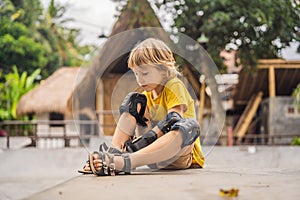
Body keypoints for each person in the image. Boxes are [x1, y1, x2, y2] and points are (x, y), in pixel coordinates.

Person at [80, 38, 205, 176]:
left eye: (144, 73)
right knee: (134, 101)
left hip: (178, 155)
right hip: (150, 156)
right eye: (136, 74)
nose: (140, 79)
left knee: (189, 126)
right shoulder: (146, 95)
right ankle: (113, 155)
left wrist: (140, 143)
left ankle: (125, 162)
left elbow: (173, 120)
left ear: (163, 70)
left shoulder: (173, 85)